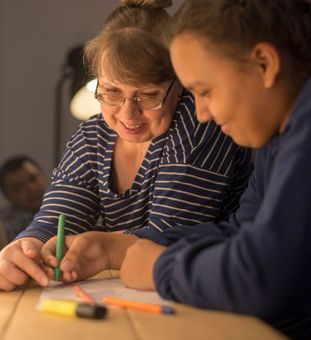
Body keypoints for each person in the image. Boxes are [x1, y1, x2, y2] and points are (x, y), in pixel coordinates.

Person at [0, 0, 252, 291]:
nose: (126, 114)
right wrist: (26, 248)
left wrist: (106, 245)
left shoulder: (198, 122)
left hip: (213, 292)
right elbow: (56, 221)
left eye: (148, 95)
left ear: (180, 82)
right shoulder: (91, 137)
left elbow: (168, 235)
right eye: (110, 92)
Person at [115, 0, 311, 338]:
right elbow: (242, 229)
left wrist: (161, 268)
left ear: (264, 63)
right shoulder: (273, 138)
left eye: (204, 91)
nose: (202, 113)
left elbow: (262, 274)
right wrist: (120, 246)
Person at [0, 156, 47, 248]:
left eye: (33, 178)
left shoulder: (72, 206)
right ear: (7, 195)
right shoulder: (4, 223)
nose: (31, 188)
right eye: (18, 187)